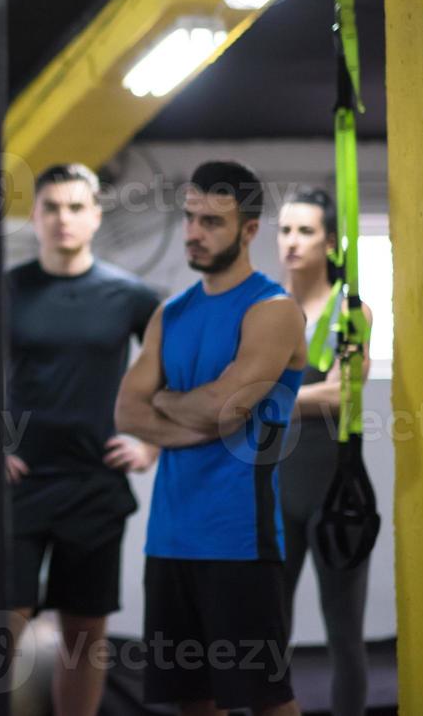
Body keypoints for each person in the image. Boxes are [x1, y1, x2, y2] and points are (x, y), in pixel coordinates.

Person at [0, 163, 161, 716]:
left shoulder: (130, 296)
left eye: (76, 207)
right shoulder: (2, 290)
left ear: (96, 215)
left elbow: (178, 372)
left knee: (84, 633)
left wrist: (152, 444)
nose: (64, 218)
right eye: (53, 208)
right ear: (35, 216)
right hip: (15, 488)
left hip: (94, 485)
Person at [114, 160, 305, 716]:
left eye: (212, 223)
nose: (194, 233)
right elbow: (127, 409)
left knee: (268, 699)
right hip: (170, 539)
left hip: (239, 539)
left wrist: (169, 402)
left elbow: (226, 408)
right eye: (190, 217)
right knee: (191, 700)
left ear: (249, 231)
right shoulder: (170, 314)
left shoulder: (272, 310)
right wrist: (195, 414)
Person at [276, 187, 374, 716]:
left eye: (305, 231)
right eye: (285, 230)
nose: (292, 242)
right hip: (274, 489)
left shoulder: (352, 310)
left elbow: (344, 392)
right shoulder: (262, 309)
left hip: (338, 493)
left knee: (345, 637)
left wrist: (264, 400)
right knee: (269, 637)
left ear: (330, 242)